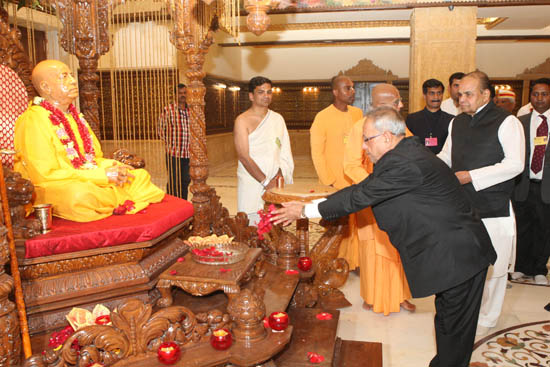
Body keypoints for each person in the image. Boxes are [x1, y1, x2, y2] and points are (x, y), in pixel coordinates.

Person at [273, 106, 496, 367]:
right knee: (448, 322)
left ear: (387, 137)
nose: (364, 148)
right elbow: (362, 189)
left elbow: (360, 197)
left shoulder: (405, 162)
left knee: (455, 329)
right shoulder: (403, 155)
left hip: (459, 255)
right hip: (453, 253)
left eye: (367, 140)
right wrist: (310, 205)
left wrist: (305, 210)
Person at [14, 60, 165, 222]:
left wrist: (113, 167)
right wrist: (102, 176)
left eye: (72, 75)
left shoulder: (75, 117)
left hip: (87, 178)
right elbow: (44, 175)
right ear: (45, 87)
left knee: (138, 176)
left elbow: (92, 159)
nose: (73, 81)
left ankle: (111, 200)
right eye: (64, 77)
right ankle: (116, 198)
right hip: (53, 186)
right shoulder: (33, 120)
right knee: (78, 195)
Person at [437, 71, 525, 336]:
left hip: (493, 207)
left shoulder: (507, 122)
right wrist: (427, 166)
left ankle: (488, 318)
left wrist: (472, 176)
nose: (461, 99)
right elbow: (446, 155)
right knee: (465, 264)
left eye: (467, 94)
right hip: (463, 207)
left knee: (495, 269)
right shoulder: (458, 123)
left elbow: (515, 164)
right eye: (459, 94)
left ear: (486, 95)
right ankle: (468, 312)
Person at [343, 83, 415, 314]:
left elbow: (410, 159)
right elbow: (351, 164)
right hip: (370, 194)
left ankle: (401, 295)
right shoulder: (359, 128)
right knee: (373, 247)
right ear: (380, 104)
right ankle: (373, 295)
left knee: (398, 246)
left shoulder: (401, 127)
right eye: (396, 101)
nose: (401, 105)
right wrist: (375, 187)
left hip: (398, 197)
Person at [310, 75, 363, 269]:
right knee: (337, 225)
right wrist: (329, 180)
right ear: (335, 92)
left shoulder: (358, 113)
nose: (352, 91)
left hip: (356, 179)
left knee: (357, 225)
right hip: (334, 182)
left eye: (352, 87)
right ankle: (333, 261)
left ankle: (354, 261)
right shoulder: (322, 117)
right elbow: (316, 153)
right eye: (347, 88)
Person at [234, 76, 294, 225]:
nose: (266, 96)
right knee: (253, 230)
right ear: (251, 96)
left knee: (276, 227)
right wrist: (265, 181)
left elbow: (284, 151)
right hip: (252, 182)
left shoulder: (277, 118)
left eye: (269, 92)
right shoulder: (242, 120)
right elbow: (244, 156)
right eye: (261, 92)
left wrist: (279, 175)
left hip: (276, 183)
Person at [512, 78, 550, 285]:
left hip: (546, 186)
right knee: (522, 228)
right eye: (535, 94)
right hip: (523, 185)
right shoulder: (521, 122)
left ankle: (539, 269)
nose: (540, 98)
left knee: (544, 229)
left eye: (544, 94)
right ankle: (520, 267)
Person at [157, 83, 191, 200]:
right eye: (180, 93)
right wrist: (170, 143)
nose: (182, 95)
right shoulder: (168, 110)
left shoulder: (191, 110)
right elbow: (160, 130)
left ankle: (183, 204)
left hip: (188, 154)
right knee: (173, 182)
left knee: (186, 181)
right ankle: (172, 206)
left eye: (184, 93)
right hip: (174, 154)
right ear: (175, 95)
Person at [406, 78, 454, 154]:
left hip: (443, 164)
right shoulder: (412, 119)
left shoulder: (451, 120)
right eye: (432, 93)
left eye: (439, 93)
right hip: (419, 163)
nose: (436, 97)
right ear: (424, 95)